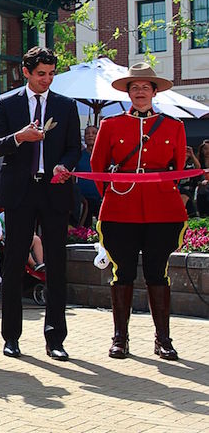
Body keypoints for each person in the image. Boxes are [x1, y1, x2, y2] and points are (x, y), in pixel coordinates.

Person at [90, 63, 189, 361]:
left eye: (146, 87)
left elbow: (179, 170)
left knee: (158, 273)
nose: (140, 92)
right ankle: (120, 338)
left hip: (163, 209)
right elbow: (97, 168)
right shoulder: (111, 125)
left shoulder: (174, 126)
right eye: (135, 87)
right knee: (122, 274)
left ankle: (163, 339)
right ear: (128, 92)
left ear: (154, 91)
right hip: (121, 207)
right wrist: (113, 195)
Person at [0, 46, 80, 361]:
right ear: (25, 72)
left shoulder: (66, 106)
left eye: (52, 74)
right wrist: (19, 138)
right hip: (20, 193)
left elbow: (73, 148)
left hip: (54, 191)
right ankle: (11, 337)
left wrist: (65, 165)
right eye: (41, 74)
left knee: (56, 265)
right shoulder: (6, 105)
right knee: (14, 265)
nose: (47, 80)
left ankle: (56, 339)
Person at [76, 125, 101, 226]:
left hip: (101, 199)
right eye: (87, 133)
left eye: (94, 133)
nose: (90, 135)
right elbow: (73, 178)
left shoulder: (106, 156)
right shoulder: (78, 156)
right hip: (83, 200)